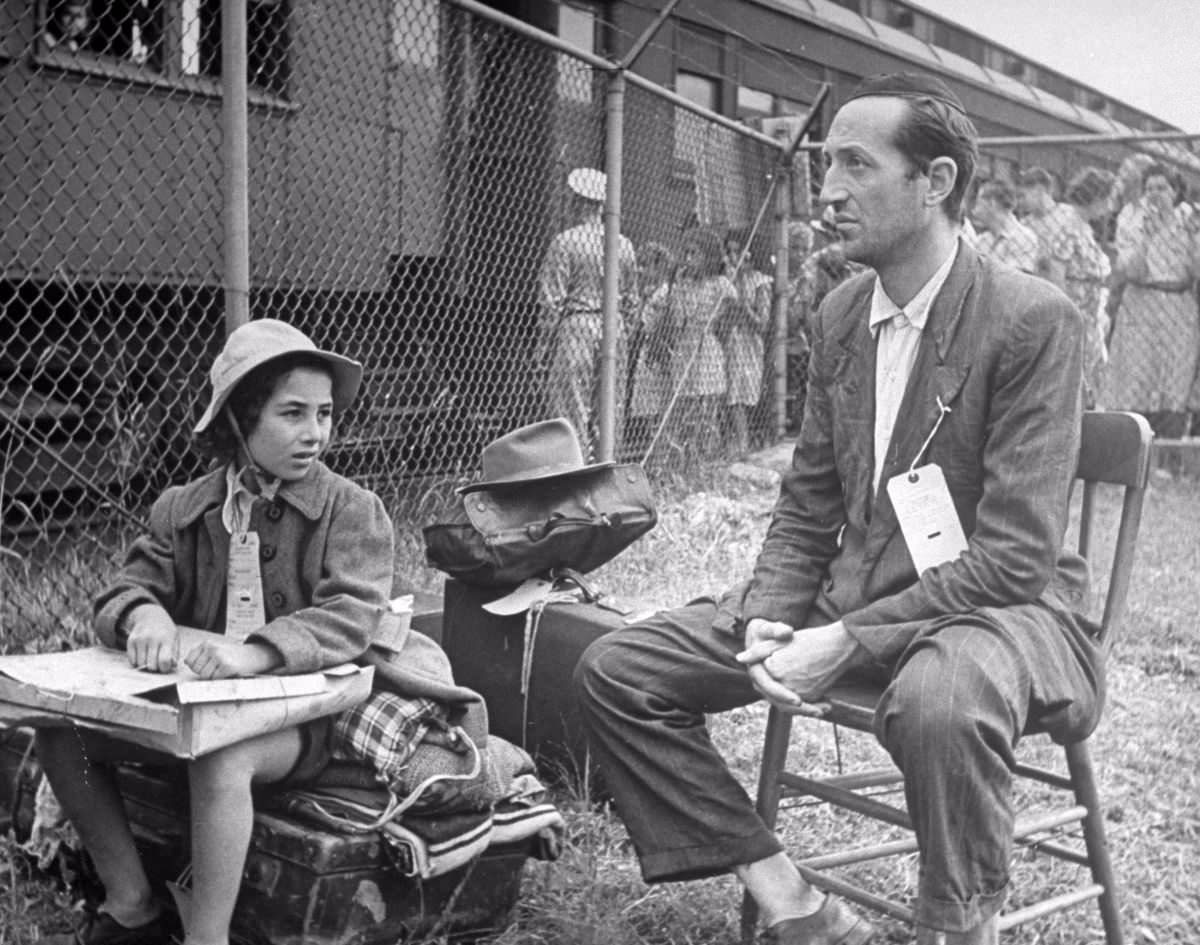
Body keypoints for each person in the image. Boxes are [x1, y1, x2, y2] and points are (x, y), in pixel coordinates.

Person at [576, 72, 1100, 945]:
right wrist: (774, 620)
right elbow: (808, 503)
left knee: (942, 701)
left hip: (1006, 614)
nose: (827, 192)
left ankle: (960, 929)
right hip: (855, 595)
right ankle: (793, 903)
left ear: (935, 183)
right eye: (827, 165)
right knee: (618, 668)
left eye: (856, 165)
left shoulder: (1031, 318)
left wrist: (845, 642)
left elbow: (1015, 558)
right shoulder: (839, 311)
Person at [34, 319, 397, 945]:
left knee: (223, 754)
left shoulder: (351, 510)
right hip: (199, 705)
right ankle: (131, 907)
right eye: (291, 413)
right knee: (61, 733)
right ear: (240, 418)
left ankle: (208, 937)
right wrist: (142, 615)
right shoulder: (187, 507)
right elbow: (127, 587)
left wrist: (257, 653)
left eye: (325, 413)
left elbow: (353, 615)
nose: (314, 432)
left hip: (301, 721)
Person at [537, 167, 638, 458]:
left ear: (576, 202)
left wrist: (544, 345)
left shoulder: (565, 241)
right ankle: (606, 463)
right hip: (613, 324)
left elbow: (552, 300)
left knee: (571, 404)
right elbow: (631, 298)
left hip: (577, 324)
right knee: (610, 403)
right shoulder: (623, 244)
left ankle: (575, 467)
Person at [1103, 163, 1200, 440]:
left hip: (1179, 301)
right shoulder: (1132, 218)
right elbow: (1132, 271)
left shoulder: (1190, 217)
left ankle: (1168, 446)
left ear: (1175, 191)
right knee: (1138, 374)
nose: (1155, 194)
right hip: (1141, 300)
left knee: (1175, 375)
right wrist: (1148, 237)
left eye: (1162, 188)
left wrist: (1195, 238)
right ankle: (1133, 444)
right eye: (1150, 189)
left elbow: (1197, 272)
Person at [659, 226, 734, 459]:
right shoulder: (682, 285)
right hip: (686, 345)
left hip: (706, 345)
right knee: (684, 404)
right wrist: (676, 290)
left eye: (694, 254)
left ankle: (705, 455)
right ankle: (686, 456)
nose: (688, 259)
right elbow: (678, 320)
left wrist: (714, 319)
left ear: (707, 257)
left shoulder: (719, 284)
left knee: (706, 405)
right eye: (686, 254)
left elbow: (729, 309)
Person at [1058, 166, 1118, 406]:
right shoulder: (1068, 224)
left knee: (1090, 375)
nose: (1108, 205)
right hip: (1076, 309)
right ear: (1096, 196)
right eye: (1107, 198)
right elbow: (1056, 269)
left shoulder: (1083, 226)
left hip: (1090, 313)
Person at [722, 227, 773, 455]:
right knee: (733, 395)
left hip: (750, 343)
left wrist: (743, 304)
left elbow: (762, 322)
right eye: (729, 252)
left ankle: (752, 439)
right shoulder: (728, 280)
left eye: (737, 252)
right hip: (731, 340)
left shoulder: (759, 282)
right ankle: (740, 442)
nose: (732, 258)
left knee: (747, 392)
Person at [627, 241, 676, 454]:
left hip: (657, 351)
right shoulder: (647, 293)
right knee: (646, 404)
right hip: (645, 347)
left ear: (659, 267)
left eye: (646, 265)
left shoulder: (665, 292)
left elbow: (661, 325)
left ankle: (661, 448)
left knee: (658, 404)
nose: (640, 270)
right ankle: (653, 446)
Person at [969, 178, 1040, 274]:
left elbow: (1015, 279)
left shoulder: (1024, 237)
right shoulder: (982, 240)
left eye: (978, 203)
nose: (974, 210)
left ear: (991, 203)